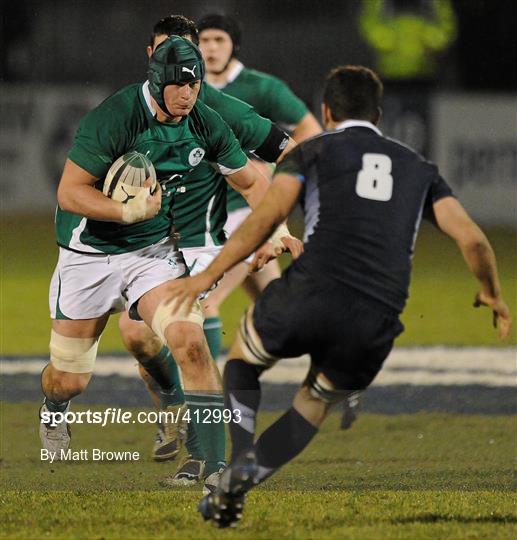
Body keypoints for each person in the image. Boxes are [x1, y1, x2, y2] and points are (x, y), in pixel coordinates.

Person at [163, 65, 512, 527]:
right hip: (378, 315)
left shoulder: (313, 152)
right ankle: (245, 479)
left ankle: (237, 460)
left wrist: (208, 273)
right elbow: (472, 240)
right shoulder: (420, 168)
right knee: (313, 402)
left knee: (244, 358)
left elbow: (263, 219)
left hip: (313, 289)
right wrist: (492, 293)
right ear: (379, 114)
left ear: (326, 111)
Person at [39, 35, 299, 495]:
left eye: (195, 84)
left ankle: (217, 466)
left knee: (190, 341)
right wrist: (124, 211)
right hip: (88, 254)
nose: (187, 94)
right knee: (69, 381)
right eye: (179, 85)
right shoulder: (115, 117)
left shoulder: (204, 120)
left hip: (151, 254)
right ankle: (53, 409)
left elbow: (252, 183)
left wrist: (277, 231)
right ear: (156, 81)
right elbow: (68, 192)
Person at [116, 15, 301, 489]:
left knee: (192, 332)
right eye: (163, 53)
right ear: (149, 58)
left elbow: (283, 154)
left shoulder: (216, 107)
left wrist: (278, 226)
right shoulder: (128, 110)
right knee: (137, 337)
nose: (172, 63)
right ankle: (177, 403)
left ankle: (206, 457)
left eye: (183, 53)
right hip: (145, 249)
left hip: (202, 245)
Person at [195, 12, 322, 360]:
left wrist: (269, 166)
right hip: (205, 214)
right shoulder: (187, 90)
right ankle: (334, 357)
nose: (211, 48)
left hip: (245, 213)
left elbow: (308, 129)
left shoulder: (261, 87)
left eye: (219, 40)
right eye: (204, 41)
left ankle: (202, 401)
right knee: (277, 310)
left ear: (234, 45)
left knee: (205, 302)